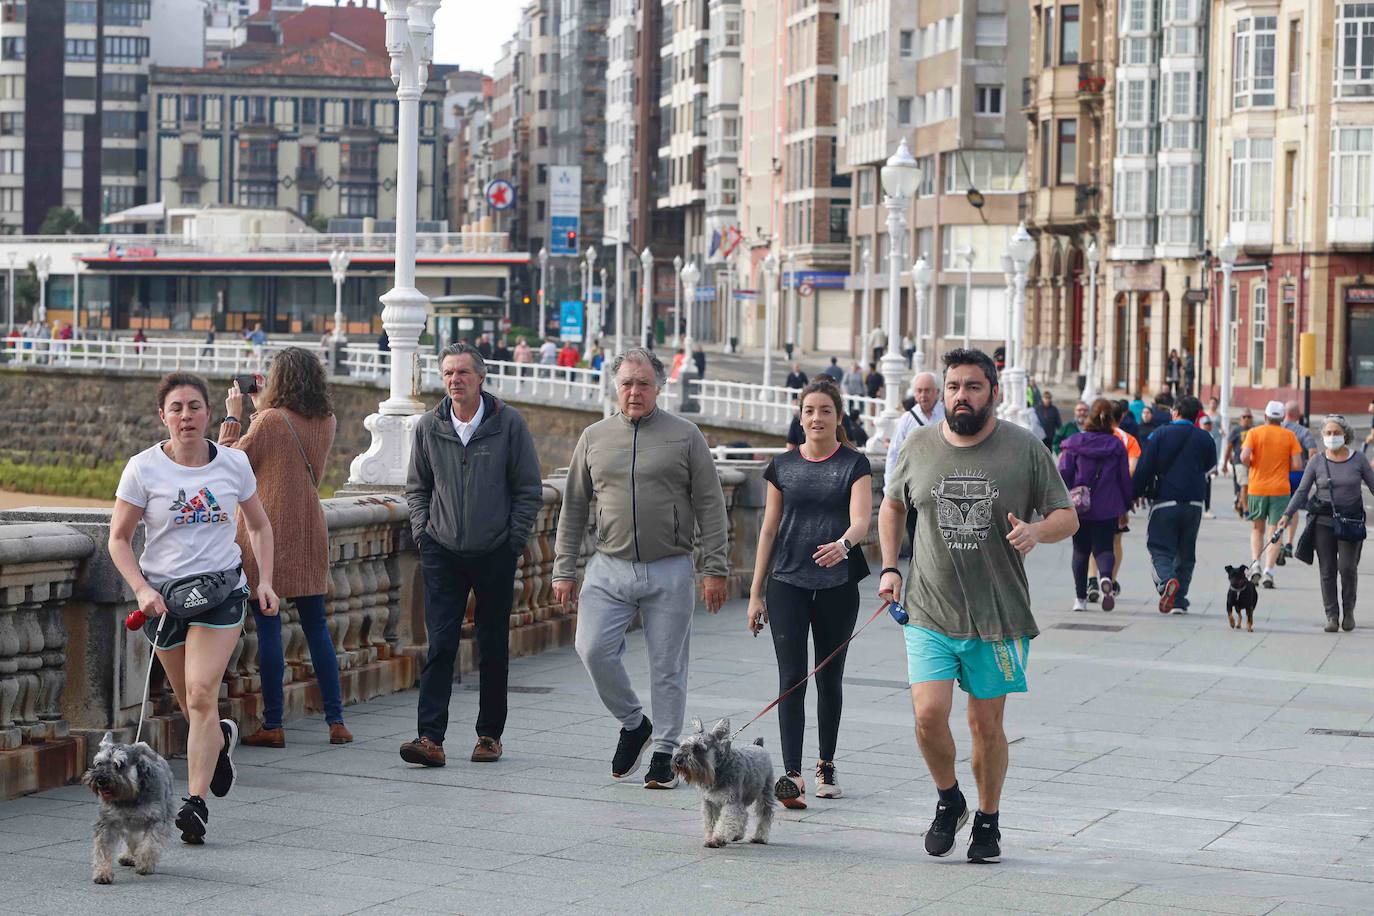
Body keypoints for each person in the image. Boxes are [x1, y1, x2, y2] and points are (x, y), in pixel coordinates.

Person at [879, 348, 1077, 864]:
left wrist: (1037, 529)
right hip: (928, 608)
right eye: (952, 388)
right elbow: (893, 504)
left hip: (998, 615)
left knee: (985, 726)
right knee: (927, 715)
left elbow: (1067, 515)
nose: (960, 396)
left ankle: (988, 818)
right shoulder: (919, 445)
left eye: (972, 387)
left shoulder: (1024, 448)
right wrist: (890, 567)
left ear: (995, 392)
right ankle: (950, 799)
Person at [108, 371, 278, 844]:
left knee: (201, 693)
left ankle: (195, 804)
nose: (186, 416)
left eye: (195, 407)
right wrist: (142, 589)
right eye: (177, 408)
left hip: (222, 592)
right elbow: (118, 540)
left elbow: (260, 526)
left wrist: (266, 581)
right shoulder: (143, 468)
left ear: (210, 412)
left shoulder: (233, 463)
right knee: (191, 704)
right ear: (163, 415)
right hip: (164, 601)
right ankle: (219, 738)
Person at [552, 347, 730, 789]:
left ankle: (667, 750)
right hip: (608, 566)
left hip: (670, 566)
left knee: (667, 665)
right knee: (591, 648)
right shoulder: (594, 437)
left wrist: (715, 568)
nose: (635, 391)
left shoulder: (686, 436)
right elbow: (573, 506)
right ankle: (635, 724)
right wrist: (563, 570)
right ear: (616, 386)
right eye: (627, 383)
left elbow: (710, 504)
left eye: (644, 383)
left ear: (659, 386)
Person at [401, 343, 544, 767]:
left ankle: (489, 736)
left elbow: (528, 489)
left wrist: (512, 541)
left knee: (492, 645)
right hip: (442, 551)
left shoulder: (508, 424)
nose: (454, 380)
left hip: (495, 551)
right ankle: (430, 738)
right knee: (440, 645)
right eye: (447, 373)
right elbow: (417, 488)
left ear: (481, 378)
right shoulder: (429, 426)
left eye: (463, 372)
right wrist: (424, 534)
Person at [748, 380, 872, 809]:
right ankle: (792, 774)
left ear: (838, 418)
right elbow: (768, 530)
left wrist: (844, 545)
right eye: (808, 411)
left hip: (837, 586)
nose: (816, 418)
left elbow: (861, 519)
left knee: (829, 678)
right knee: (791, 680)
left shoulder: (854, 464)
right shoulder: (781, 465)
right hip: (787, 583)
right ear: (800, 417)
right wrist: (755, 593)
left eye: (824, 411)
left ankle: (826, 764)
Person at [220, 348, 350, 749]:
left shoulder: (271, 422)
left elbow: (229, 461)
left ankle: (273, 723)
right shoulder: (326, 421)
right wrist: (263, 411)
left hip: (269, 533)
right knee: (317, 628)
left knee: (269, 625)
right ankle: (337, 721)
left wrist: (233, 415)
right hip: (310, 528)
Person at [1281, 415, 1374, 632]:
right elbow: (1302, 491)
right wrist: (1286, 515)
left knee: (1348, 568)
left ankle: (1348, 611)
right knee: (1327, 569)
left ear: (1345, 435)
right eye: (1328, 433)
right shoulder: (1317, 461)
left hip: (1351, 521)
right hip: (1323, 521)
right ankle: (1332, 615)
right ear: (1322, 436)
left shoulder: (1358, 459)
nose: (1332, 437)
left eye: (1336, 433)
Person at [1132, 396, 1217, 614]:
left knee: (1160, 548)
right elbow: (1210, 464)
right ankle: (1179, 599)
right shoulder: (1204, 437)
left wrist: (1133, 495)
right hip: (1195, 503)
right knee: (1186, 552)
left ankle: (1166, 582)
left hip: (1165, 500)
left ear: (1176, 412)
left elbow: (1144, 468)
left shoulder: (1160, 434)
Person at [1059, 400, 1132, 612]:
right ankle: (1106, 578)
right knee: (1104, 548)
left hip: (1079, 506)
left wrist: (1060, 503)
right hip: (1108, 506)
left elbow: (1063, 473)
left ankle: (1080, 599)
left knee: (1080, 550)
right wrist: (1125, 506)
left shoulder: (1073, 443)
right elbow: (1124, 479)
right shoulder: (1116, 445)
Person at [1241, 400, 1303, 588]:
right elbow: (1298, 465)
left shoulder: (1254, 433)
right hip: (1280, 489)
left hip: (1257, 488)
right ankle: (1269, 571)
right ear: (1282, 418)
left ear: (1266, 417)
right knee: (1275, 531)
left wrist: (1253, 465)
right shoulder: (1289, 436)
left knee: (1257, 529)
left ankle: (1256, 565)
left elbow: (1244, 457)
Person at [885, 371, 945, 558]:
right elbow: (894, 454)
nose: (923, 395)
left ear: (937, 392)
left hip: (942, 488)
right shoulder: (907, 419)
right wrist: (890, 486)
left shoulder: (947, 414)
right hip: (915, 487)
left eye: (927, 390)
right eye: (919, 391)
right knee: (915, 537)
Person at [1278, 401, 1315, 563]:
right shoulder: (1304, 432)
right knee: (1293, 509)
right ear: (1298, 414)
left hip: (1278, 474)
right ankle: (1289, 542)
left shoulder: (1278, 430)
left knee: (1278, 508)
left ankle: (1278, 541)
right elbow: (1313, 453)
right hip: (1298, 475)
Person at [1223, 407, 1255, 517]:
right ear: (1240, 418)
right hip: (1239, 461)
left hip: (1252, 462)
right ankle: (1246, 510)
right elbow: (1229, 447)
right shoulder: (1236, 430)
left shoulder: (1254, 430)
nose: (1246, 419)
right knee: (1244, 484)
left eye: (1249, 416)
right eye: (1244, 416)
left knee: (1249, 486)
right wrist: (1224, 463)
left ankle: (1240, 503)